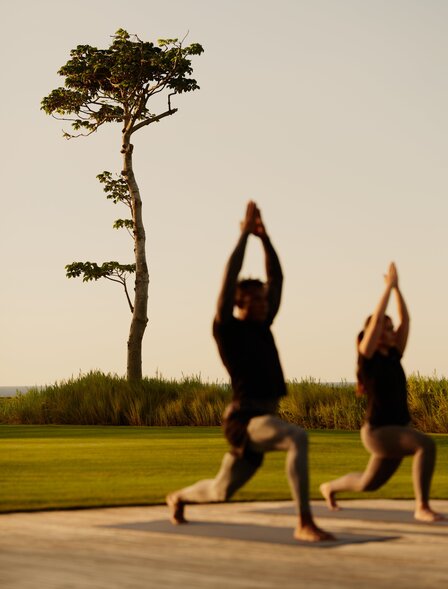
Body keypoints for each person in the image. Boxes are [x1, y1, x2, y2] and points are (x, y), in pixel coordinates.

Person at [167, 201, 334, 542]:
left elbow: (278, 277)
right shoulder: (227, 329)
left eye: (263, 299)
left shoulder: (263, 325)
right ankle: (304, 522)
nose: (262, 303)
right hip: (246, 418)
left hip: (264, 418)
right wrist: (244, 235)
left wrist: (265, 238)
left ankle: (178, 497)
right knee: (296, 437)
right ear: (237, 304)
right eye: (254, 300)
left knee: (220, 490)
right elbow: (229, 277)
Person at [320, 262, 443, 522]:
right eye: (385, 328)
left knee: (369, 483)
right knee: (425, 445)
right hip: (379, 432)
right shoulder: (367, 358)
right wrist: (386, 289)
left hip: (398, 430)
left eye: (390, 328)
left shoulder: (394, 355)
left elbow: (406, 320)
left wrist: (397, 288)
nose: (390, 331)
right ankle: (422, 507)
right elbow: (376, 320)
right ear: (372, 335)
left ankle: (329, 487)